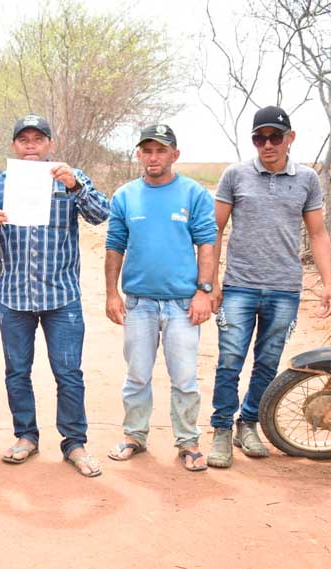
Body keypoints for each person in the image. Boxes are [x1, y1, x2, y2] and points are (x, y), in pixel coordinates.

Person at [0, 114, 110, 477]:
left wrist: (77, 186)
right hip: (15, 296)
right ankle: (26, 436)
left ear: (49, 144)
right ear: (14, 145)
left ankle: (74, 443)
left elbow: (100, 215)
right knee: (17, 372)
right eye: (24, 140)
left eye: (38, 139)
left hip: (62, 297)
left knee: (68, 372)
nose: (30, 145)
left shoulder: (68, 179)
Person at [207, 106, 331, 468]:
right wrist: (210, 282)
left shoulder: (308, 179)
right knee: (229, 361)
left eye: (274, 137)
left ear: (289, 138)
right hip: (238, 287)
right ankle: (220, 428)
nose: (267, 144)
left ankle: (247, 424)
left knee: (267, 362)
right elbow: (214, 230)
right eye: (259, 138)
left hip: (284, 289)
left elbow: (318, 232)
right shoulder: (235, 175)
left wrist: (328, 283)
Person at [104, 124, 216, 471]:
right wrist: (112, 293)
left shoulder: (193, 194)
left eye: (161, 151)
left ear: (174, 155)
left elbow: (207, 245)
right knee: (137, 375)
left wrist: (204, 291)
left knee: (184, 378)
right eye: (147, 151)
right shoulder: (125, 196)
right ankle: (134, 435)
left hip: (183, 303)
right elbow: (114, 247)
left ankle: (188, 441)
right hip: (139, 302)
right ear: (139, 154)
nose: (153, 157)